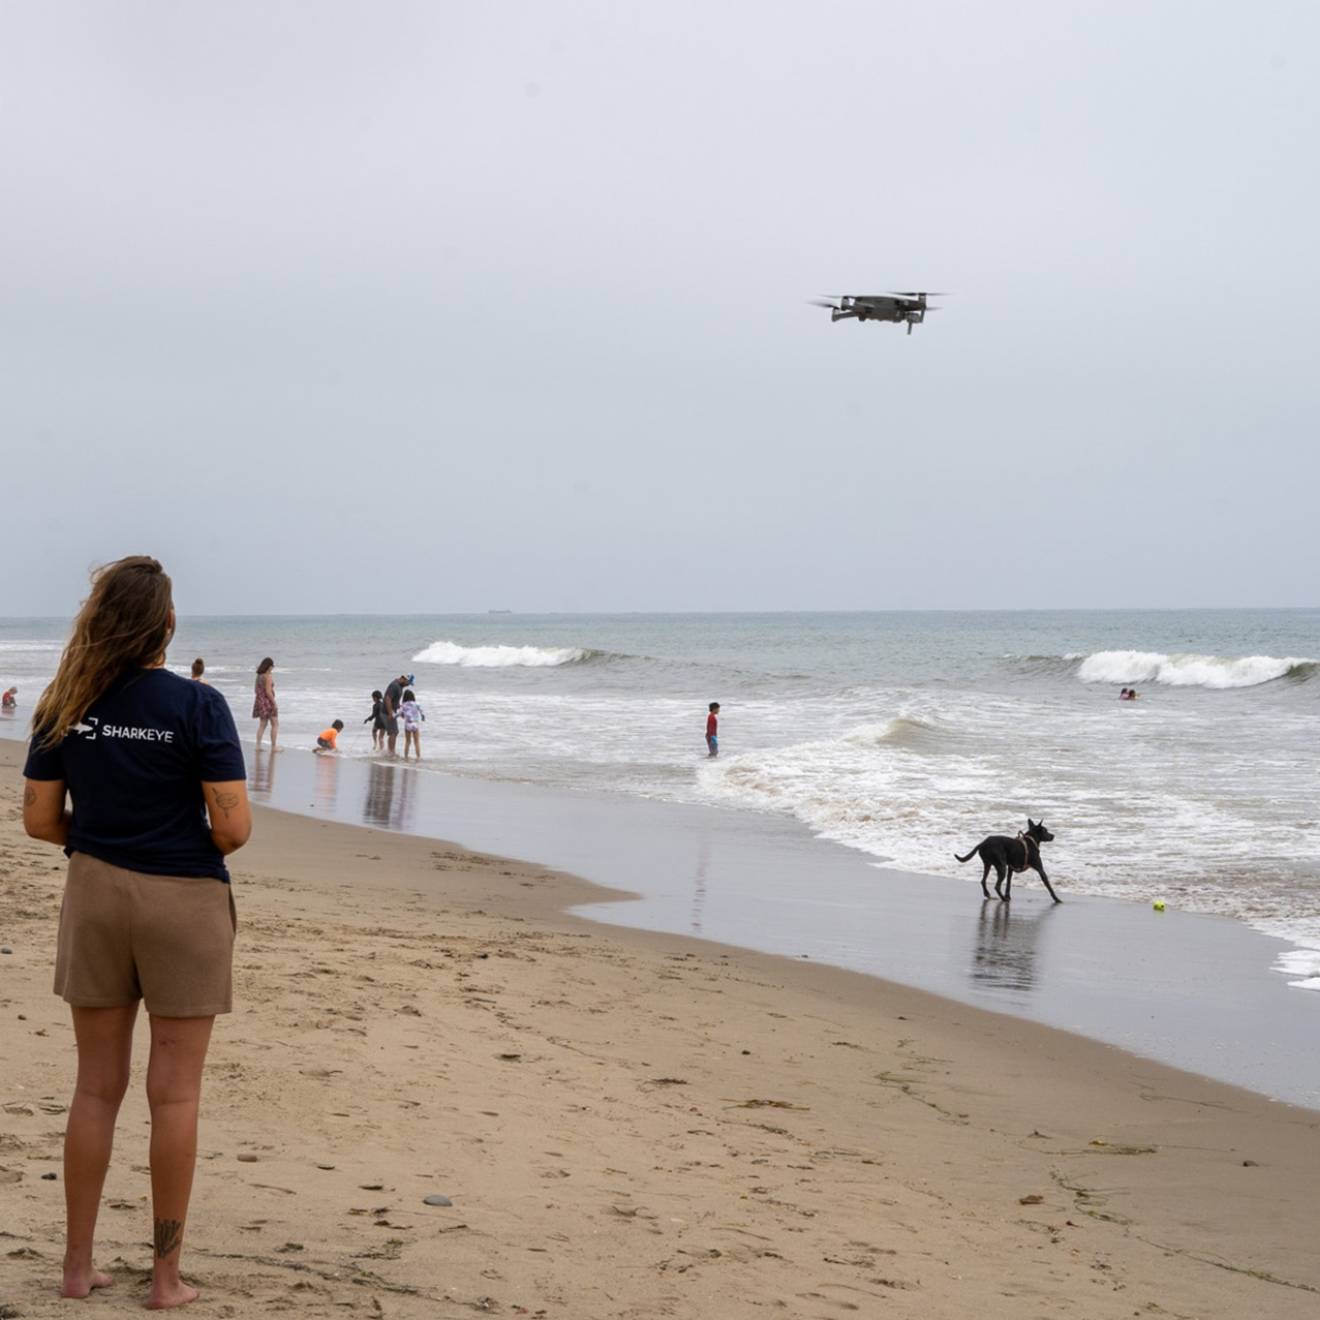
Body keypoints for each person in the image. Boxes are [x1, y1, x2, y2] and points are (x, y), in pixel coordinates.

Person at [21, 555, 250, 1309]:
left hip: (94, 892)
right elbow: (233, 827)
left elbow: (39, 820)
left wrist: (109, 842)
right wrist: (177, 843)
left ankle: (77, 1268)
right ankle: (164, 1278)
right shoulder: (197, 705)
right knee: (174, 1095)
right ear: (167, 624)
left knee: (95, 1087)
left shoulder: (63, 701)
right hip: (181, 900)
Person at [382, 672, 412, 757]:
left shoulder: (399, 686)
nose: (408, 685)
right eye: (408, 683)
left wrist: (401, 711)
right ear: (404, 679)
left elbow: (395, 702)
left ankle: (390, 752)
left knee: (394, 732)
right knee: (393, 733)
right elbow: (387, 698)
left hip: (391, 711)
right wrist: (390, 712)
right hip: (386, 711)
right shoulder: (394, 685)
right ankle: (391, 753)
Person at [252, 657, 278, 751]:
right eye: (272, 666)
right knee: (275, 723)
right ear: (269, 666)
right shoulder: (268, 676)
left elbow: (255, 690)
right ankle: (274, 747)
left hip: (259, 700)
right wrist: (274, 703)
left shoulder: (259, 676)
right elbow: (268, 692)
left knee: (262, 724)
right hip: (268, 702)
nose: (272, 668)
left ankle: (258, 746)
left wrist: (260, 698)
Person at [399, 689, 424, 760]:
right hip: (415, 724)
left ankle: (406, 757)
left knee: (407, 741)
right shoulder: (417, 704)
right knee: (416, 742)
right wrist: (422, 717)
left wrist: (396, 716)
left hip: (408, 724)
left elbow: (400, 714)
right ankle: (418, 757)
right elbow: (421, 712)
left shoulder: (403, 705)